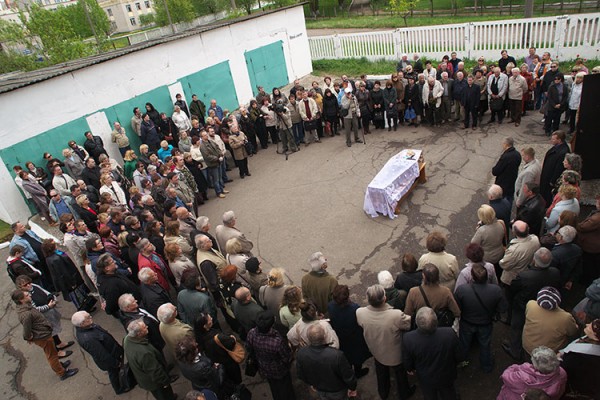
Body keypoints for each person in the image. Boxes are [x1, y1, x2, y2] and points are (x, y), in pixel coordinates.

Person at [356, 284, 413, 400]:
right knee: (400, 375)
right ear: (385, 298)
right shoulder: (395, 315)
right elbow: (407, 325)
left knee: (381, 374)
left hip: (376, 351)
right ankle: (404, 393)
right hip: (395, 354)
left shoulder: (360, 313)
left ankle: (383, 392)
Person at [11, 289, 78, 380]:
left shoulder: (27, 306)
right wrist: (29, 338)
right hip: (42, 337)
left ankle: (59, 366)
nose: (30, 295)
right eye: (26, 295)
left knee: (53, 351)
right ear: (21, 300)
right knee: (52, 355)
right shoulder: (25, 314)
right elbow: (26, 330)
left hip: (44, 333)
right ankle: (62, 373)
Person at [454, 264, 507, 373]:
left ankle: (461, 362)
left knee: (464, 343)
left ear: (472, 277)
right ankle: (486, 366)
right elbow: (503, 308)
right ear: (487, 276)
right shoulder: (496, 290)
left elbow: (457, 308)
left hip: (467, 322)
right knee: (485, 345)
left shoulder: (462, 289)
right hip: (485, 323)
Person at [402, 307, 462, 400]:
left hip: (426, 377)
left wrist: (409, 368)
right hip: (447, 374)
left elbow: (407, 360)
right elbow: (458, 355)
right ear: (436, 321)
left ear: (417, 323)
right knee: (449, 394)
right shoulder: (449, 333)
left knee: (429, 395)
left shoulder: (409, 339)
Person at [72, 311, 130, 394]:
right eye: (88, 317)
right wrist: (115, 363)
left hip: (113, 352)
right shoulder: (88, 339)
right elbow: (102, 355)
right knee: (114, 373)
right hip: (110, 360)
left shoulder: (88, 327)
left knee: (116, 372)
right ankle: (119, 389)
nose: (91, 317)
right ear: (82, 324)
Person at [296, 323, 357, 400]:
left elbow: (300, 374)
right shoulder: (337, 355)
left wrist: (311, 383)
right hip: (337, 391)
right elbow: (348, 376)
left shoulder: (301, 353)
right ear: (324, 336)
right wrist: (352, 388)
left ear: (308, 338)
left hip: (319, 389)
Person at [246, 310, 296, 400]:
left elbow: (249, 348)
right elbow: (286, 358)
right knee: (285, 388)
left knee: (273, 386)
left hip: (263, 367)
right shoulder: (277, 342)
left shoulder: (251, 333)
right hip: (279, 370)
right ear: (271, 325)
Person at [124, 318, 177, 400]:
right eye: (144, 327)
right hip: (154, 383)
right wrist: (165, 382)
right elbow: (155, 371)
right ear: (139, 334)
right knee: (164, 395)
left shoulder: (127, 339)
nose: (147, 327)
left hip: (144, 378)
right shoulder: (144, 353)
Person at [328, 285, 371, 379]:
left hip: (340, 336)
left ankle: (348, 372)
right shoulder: (354, 308)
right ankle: (358, 372)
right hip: (354, 337)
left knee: (345, 356)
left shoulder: (331, 306)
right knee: (357, 356)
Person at [523, 287, 578, 355]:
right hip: (546, 354)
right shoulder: (566, 318)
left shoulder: (530, 304)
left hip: (528, 346)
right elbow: (573, 332)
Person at [498, 346, 566, 400]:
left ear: (536, 366)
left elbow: (505, 376)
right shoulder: (562, 373)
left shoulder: (521, 376)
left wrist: (516, 367)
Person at [559, 319, 600, 399]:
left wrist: (560, 357)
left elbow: (565, 368)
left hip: (582, 387)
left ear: (595, 336)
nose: (587, 325)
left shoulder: (577, 356)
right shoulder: (589, 339)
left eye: (590, 327)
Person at [499, 221, 541, 286]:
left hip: (513, 278)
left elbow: (504, 265)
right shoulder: (535, 239)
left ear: (514, 232)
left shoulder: (514, 250)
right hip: (527, 270)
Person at [471, 205, 506, 271]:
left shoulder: (482, 230)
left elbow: (474, 244)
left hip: (487, 257)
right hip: (500, 253)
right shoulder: (501, 223)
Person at [577, 194, 600, 285]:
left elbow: (582, 227)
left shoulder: (596, 219)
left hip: (591, 246)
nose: (596, 203)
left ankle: (587, 280)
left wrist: (574, 222)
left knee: (589, 264)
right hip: (596, 243)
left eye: (598, 202)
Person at [492, 137, 522, 205]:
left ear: (506, 144)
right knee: (509, 200)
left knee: (500, 202)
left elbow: (496, 171)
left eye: (503, 144)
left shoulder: (505, 157)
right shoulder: (517, 154)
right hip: (512, 182)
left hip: (503, 184)